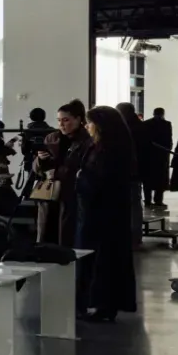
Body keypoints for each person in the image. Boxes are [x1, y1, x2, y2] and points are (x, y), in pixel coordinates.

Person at [75, 106, 139, 323]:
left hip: (104, 215)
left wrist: (80, 179)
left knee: (105, 260)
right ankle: (97, 303)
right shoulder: (103, 147)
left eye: (89, 122)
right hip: (100, 213)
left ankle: (103, 304)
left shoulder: (110, 151)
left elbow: (99, 182)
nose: (87, 126)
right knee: (101, 259)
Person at [35, 99, 89, 245]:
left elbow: (83, 167)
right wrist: (41, 160)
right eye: (59, 120)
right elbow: (37, 169)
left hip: (72, 192)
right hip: (50, 190)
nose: (61, 124)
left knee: (67, 232)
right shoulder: (52, 138)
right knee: (47, 230)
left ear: (78, 119)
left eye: (66, 120)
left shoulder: (86, 140)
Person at [117, 102, 149, 242]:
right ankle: (135, 236)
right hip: (138, 171)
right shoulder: (141, 126)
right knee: (135, 203)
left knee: (131, 204)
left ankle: (132, 236)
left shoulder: (125, 128)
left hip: (127, 171)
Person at [143, 107, 174, 207]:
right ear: (163, 114)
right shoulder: (166, 124)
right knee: (160, 179)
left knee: (148, 179)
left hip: (149, 155)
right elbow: (169, 139)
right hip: (162, 155)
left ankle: (147, 200)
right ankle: (158, 200)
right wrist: (167, 151)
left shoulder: (146, 124)